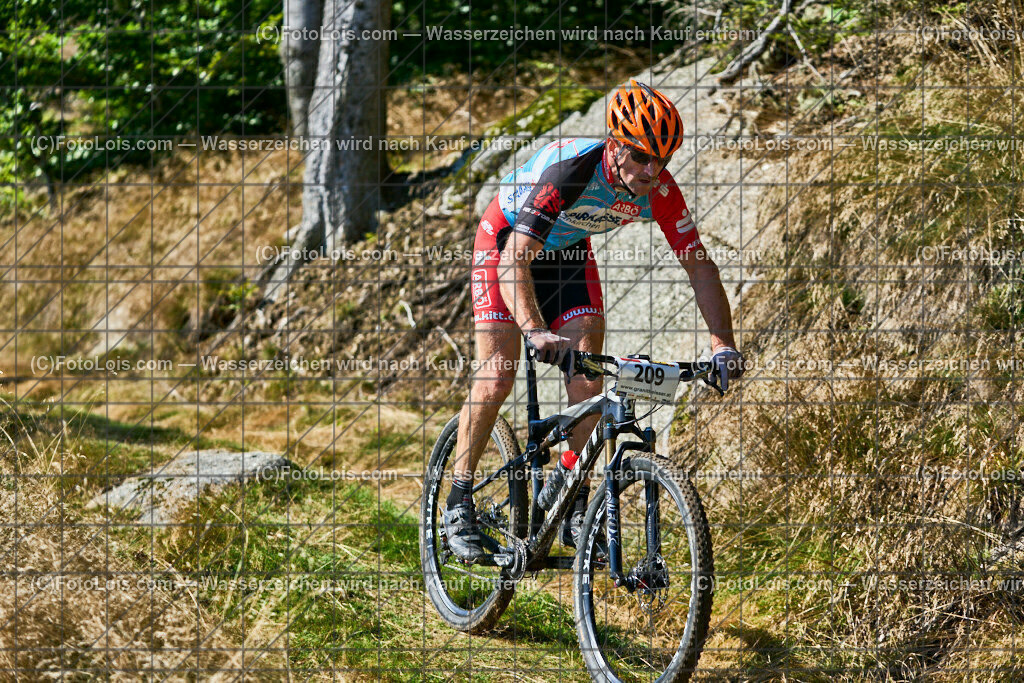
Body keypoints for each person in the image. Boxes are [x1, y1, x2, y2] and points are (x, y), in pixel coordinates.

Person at [443, 79, 745, 561]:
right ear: (616, 145)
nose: (653, 171)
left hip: (564, 253)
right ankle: (458, 499)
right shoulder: (571, 170)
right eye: (643, 157)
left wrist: (722, 344)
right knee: (496, 374)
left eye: (663, 160)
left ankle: (570, 496)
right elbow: (515, 259)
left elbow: (699, 265)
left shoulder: (659, 190)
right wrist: (535, 330)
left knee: (588, 377)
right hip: (505, 243)